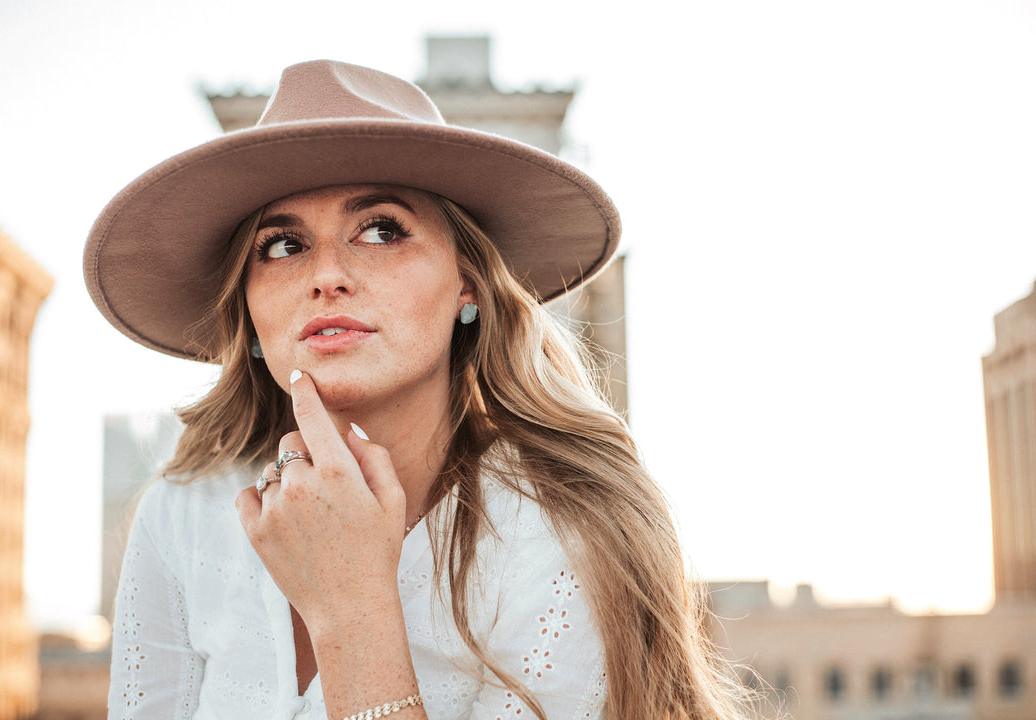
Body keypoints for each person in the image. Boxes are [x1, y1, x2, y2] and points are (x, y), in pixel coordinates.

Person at [85, 60, 751, 720]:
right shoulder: (182, 515)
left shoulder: (567, 529)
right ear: (250, 313)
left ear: (468, 285)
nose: (327, 275)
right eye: (283, 246)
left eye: (380, 230)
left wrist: (350, 607)